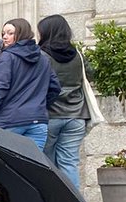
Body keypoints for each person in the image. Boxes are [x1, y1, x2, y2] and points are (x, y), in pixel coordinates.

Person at [0, 19, 61, 150]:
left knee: (5, 165)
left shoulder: (7, 57)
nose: (4, 37)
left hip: (9, 120)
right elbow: (55, 88)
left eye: (10, 33)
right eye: (3, 33)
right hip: (37, 120)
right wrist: (38, 104)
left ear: (21, 34)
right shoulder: (43, 58)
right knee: (31, 167)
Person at [37, 15, 90, 190]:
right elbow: (89, 75)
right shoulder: (78, 55)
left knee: (47, 163)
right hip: (77, 115)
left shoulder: (42, 56)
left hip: (50, 115)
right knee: (69, 163)